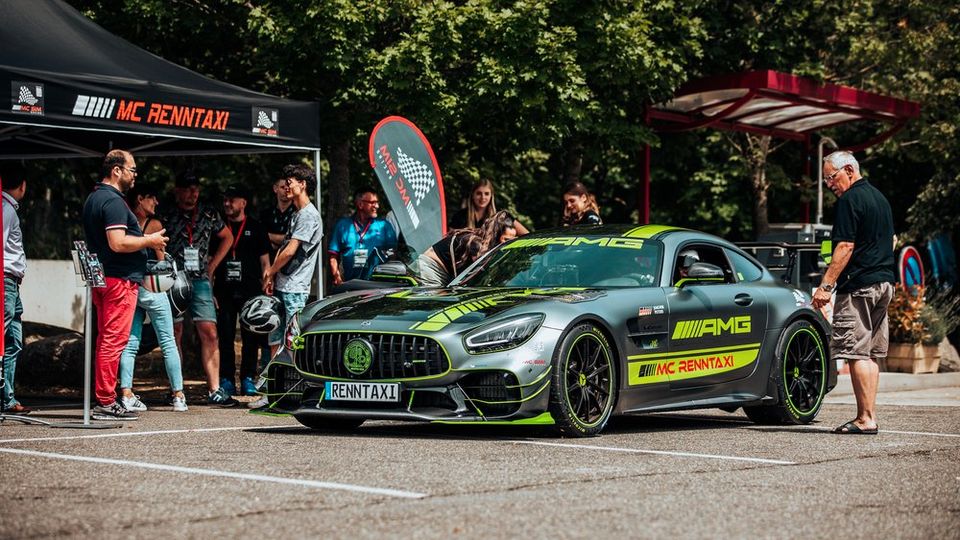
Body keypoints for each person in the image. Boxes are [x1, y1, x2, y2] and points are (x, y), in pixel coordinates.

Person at [812, 150, 895, 435]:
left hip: (859, 285)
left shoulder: (850, 200)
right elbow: (892, 240)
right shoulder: (880, 198)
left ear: (849, 169)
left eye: (831, 178)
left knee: (856, 353)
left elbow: (845, 247)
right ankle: (869, 416)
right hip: (885, 284)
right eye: (825, 181)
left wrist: (825, 286)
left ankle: (864, 419)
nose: (830, 185)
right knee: (869, 354)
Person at [82, 149, 167, 420]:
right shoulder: (114, 202)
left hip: (104, 277)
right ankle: (106, 401)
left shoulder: (94, 198)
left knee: (106, 340)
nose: (134, 176)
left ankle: (104, 398)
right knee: (113, 340)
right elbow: (117, 242)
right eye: (132, 170)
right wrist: (149, 241)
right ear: (116, 170)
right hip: (118, 280)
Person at [162, 170, 237, 406]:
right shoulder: (165, 213)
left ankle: (214, 389)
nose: (192, 194)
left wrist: (212, 267)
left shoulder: (208, 212)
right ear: (177, 190)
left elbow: (228, 237)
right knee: (174, 334)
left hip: (201, 280)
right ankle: (176, 388)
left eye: (195, 189)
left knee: (209, 331)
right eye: (187, 189)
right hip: (174, 279)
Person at [118, 182, 187, 412]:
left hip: (134, 287)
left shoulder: (126, 223)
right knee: (168, 343)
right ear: (140, 199)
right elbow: (162, 261)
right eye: (152, 198)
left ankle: (126, 393)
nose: (156, 202)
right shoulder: (154, 224)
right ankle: (178, 394)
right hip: (154, 288)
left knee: (130, 344)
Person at [215, 184, 270, 396]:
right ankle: (226, 379)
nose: (227, 204)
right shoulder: (219, 228)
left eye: (232, 199)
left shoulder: (256, 227)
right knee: (225, 336)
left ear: (243, 203)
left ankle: (248, 378)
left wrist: (266, 285)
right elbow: (210, 259)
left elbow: (265, 261)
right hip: (224, 290)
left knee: (250, 338)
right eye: (225, 200)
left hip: (250, 291)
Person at [263, 164, 322, 358]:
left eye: (290, 183)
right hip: (283, 284)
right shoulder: (297, 213)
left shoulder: (309, 216)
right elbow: (284, 246)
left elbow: (290, 251)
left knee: (292, 340)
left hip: (295, 289)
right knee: (275, 337)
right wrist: (273, 276)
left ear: (302, 184)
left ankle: (294, 383)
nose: (287, 187)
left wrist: (270, 271)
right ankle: (274, 380)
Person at [416, 211, 517, 287]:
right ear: (496, 235)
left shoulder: (484, 244)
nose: (509, 244)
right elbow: (465, 281)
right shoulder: (477, 246)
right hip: (430, 268)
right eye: (506, 239)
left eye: (512, 240)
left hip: (443, 272)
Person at [327, 187, 397, 286]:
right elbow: (333, 255)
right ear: (360, 204)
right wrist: (337, 277)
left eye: (377, 202)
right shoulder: (343, 225)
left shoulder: (384, 226)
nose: (377, 206)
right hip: (350, 285)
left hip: (378, 286)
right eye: (372, 203)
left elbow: (393, 255)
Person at [1, 164, 29, 415]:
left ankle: (6, 397)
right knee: (6, 338)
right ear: (22, 185)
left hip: (11, 283)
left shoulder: (8, 208)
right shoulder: (6, 209)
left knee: (13, 341)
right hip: (5, 281)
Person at [449, 179, 530, 234]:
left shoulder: (500, 216)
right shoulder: (460, 216)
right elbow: (449, 243)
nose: (483, 197)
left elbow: (526, 234)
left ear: (491, 196)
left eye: (486, 194)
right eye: (478, 193)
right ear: (472, 195)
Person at [263, 177, 294, 258]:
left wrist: (268, 235)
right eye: (283, 187)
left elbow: (292, 241)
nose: (286, 190)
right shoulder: (266, 213)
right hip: (269, 261)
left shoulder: (297, 213)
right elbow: (260, 240)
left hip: (291, 263)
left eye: (289, 187)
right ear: (275, 189)